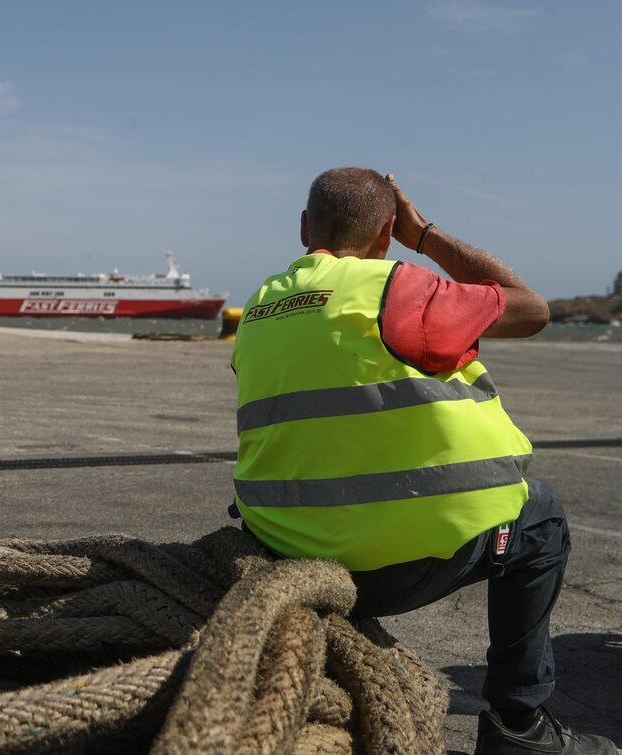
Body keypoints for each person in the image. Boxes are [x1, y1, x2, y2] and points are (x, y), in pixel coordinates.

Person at [229, 167, 615, 755]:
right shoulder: (397, 290)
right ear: (388, 230)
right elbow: (531, 308)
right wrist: (426, 234)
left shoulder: (261, 305)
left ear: (304, 228)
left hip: (289, 550)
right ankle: (519, 726)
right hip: (384, 569)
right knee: (543, 518)